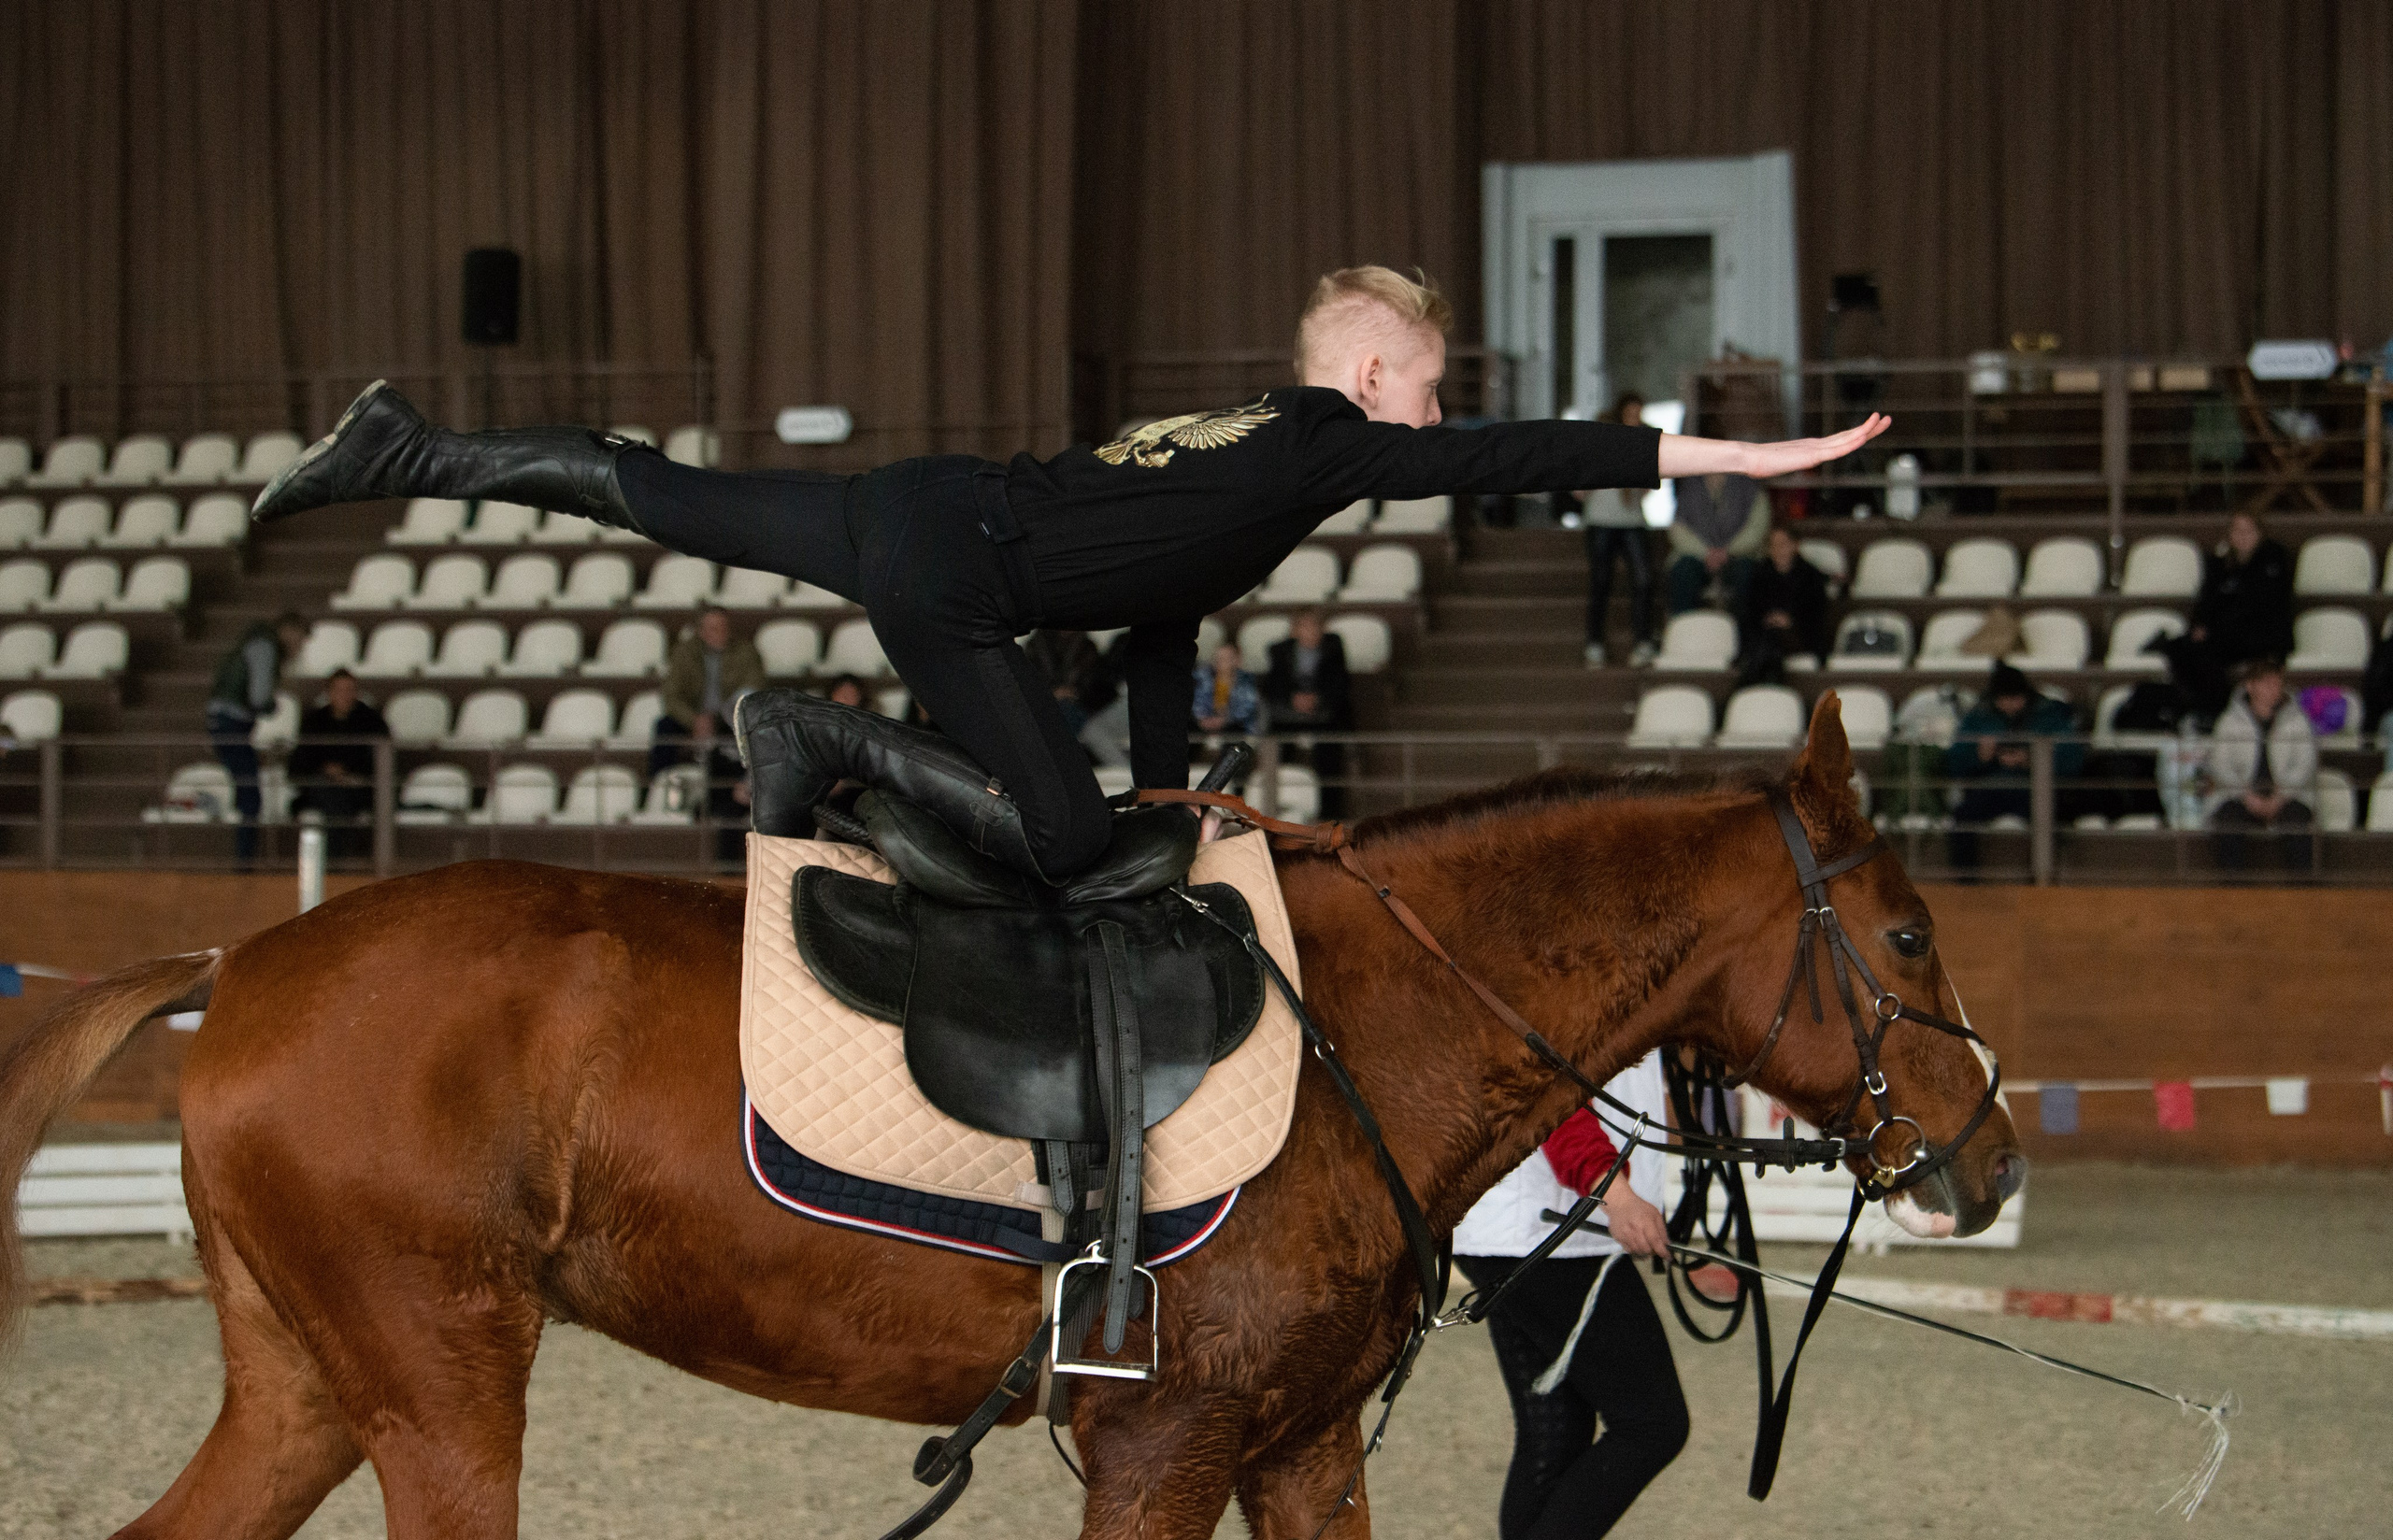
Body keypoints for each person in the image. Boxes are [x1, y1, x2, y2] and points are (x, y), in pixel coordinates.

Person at [252, 265, 1886, 887]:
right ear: (1378, 372)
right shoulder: (1326, 442)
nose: (1440, 410)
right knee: (1070, 834)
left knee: (661, 494)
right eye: (1432, 381)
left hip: (924, 504)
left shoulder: (1235, 443)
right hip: (957, 579)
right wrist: (1733, 459)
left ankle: (416, 452)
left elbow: (1160, 618)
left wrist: (1178, 788)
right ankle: (812, 740)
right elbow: (1514, 460)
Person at [1454, 1050, 1686, 1540]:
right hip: (1552, 1235)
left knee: (1555, 1434)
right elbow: (1548, 1093)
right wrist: (1618, 1196)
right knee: (1652, 1424)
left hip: (1522, 1232)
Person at [1942, 662, 2083, 871]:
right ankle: (1966, 883)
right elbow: (1953, 764)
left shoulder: (2049, 715)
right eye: (2003, 699)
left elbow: (2072, 760)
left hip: (2034, 790)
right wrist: (1979, 756)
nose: (2010, 705)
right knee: (1963, 818)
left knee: (2055, 816)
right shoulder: (1978, 717)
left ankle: (2046, 881)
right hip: (1990, 788)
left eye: (2015, 698)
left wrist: (2031, 761)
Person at [204, 611, 309, 866]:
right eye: (300, 638)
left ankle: (247, 860)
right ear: (289, 630)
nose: (300, 646)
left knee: (248, 794)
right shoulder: (265, 646)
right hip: (231, 724)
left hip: (226, 722)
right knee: (250, 798)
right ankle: (245, 864)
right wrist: (273, 706)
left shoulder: (255, 641)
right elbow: (259, 696)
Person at [2171, 513, 2294, 719]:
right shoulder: (2220, 565)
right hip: (2226, 635)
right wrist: (2200, 625)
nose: (2243, 536)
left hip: (2261, 634)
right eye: (2237, 531)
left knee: (2213, 651)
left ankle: (2216, 710)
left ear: (2260, 534)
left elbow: (2269, 605)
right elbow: (2206, 602)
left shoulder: (2274, 560)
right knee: (2182, 648)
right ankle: (2202, 712)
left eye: (2248, 531)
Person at [2206, 660, 2316, 872]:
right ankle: (2233, 893)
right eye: (2267, 684)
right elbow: (2220, 766)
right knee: (2229, 822)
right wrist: (2245, 795)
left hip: (2287, 796)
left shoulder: (2298, 721)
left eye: (2277, 684)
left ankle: (2303, 893)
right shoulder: (2229, 721)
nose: (2273, 690)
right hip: (2241, 795)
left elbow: (2305, 765)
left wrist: (2281, 795)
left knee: (2299, 822)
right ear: (2250, 686)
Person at [1578, 394, 1658, 667]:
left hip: (1632, 521)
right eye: (1630, 413)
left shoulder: (1643, 442)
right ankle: (1594, 643)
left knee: (1644, 580)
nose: (1635, 419)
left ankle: (1643, 642)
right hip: (1602, 521)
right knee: (1601, 582)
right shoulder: (1601, 443)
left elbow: (1649, 487)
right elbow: (1580, 487)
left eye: (1638, 414)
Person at [653, 606, 767, 777]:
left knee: (743, 736)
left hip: (727, 718)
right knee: (664, 728)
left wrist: (718, 717)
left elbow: (753, 689)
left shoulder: (746, 652)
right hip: (693, 717)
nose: (720, 633)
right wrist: (694, 720)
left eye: (724, 627)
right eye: (714, 628)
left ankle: (729, 792)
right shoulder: (684, 653)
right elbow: (671, 694)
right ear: (701, 631)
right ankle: (657, 784)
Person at [287, 668, 390, 860]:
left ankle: (335, 862)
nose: (344, 695)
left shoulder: (371, 721)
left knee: (340, 798)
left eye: (349, 689)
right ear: (329, 692)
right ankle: (335, 861)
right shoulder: (314, 722)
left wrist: (351, 774)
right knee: (332, 796)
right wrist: (326, 770)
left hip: (359, 788)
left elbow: (381, 760)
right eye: (339, 690)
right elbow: (298, 763)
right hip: (321, 788)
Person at [1261, 608, 1354, 816]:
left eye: (1315, 626)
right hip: (1288, 716)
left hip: (1324, 716)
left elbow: (1340, 684)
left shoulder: (1333, 649)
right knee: (1276, 746)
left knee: (1329, 754)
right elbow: (1273, 685)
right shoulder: (1279, 651)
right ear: (1295, 630)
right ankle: (1277, 805)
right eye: (1305, 626)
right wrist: (1292, 698)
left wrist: (1317, 699)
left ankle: (1331, 812)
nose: (1310, 631)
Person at [1664, 465, 1769, 618]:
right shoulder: (1690, 487)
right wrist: (1706, 552)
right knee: (1683, 572)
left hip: (1739, 555)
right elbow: (1678, 528)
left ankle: (1744, 632)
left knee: (1748, 575)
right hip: (1699, 555)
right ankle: (1685, 629)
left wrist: (1728, 551)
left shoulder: (1748, 487)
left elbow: (1757, 526)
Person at [1736, 524, 1832, 683]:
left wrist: (1791, 620)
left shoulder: (1811, 577)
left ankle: (1751, 686)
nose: (1777, 550)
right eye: (1772, 545)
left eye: (1782, 544)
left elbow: (1816, 614)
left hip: (1800, 634)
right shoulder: (1759, 575)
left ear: (1795, 545)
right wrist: (1768, 619)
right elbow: (1749, 610)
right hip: (1765, 632)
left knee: (1767, 645)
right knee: (1768, 641)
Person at [1023, 629, 1106, 738]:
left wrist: (1068, 693)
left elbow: (1089, 684)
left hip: (1073, 704)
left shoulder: (1087, 649)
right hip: (1041, 701)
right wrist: (1052, 692)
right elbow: (1028, 679)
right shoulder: (1037, 645)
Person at [1191, 642, 1266, 737]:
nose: (1220, 662)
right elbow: (1195, 700)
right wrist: (1204, 718)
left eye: (1226, 659)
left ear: (1237, 660)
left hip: (1236, 727)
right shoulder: (1201, 677)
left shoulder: (1246, 679)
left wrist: (1225, 720)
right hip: (1204, 725)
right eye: (1217, 658)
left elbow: (1248, 706)